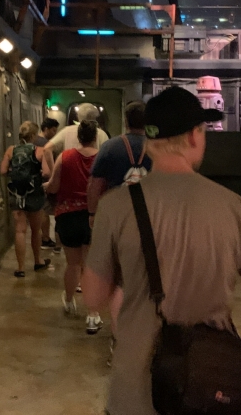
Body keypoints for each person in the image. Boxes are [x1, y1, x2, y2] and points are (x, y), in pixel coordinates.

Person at [82, 86, 241, 415]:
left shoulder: (115, 206)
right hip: (211, 389)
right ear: (195, 136)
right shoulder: (235, 207)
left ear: (149, 141)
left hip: (135, 393)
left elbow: (93, 297)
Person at [86, 100, 153, 360]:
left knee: (119, 282)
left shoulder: (110, 147)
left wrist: (93, 214)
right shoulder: (158, 148)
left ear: (126, 120)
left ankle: (119, 339)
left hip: (117, 221)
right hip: (152, 222)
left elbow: (95, 184)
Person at [44, 120, 104, 335]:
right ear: (95, 137)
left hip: (68, 216)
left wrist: (46, 186)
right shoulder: (102, 158)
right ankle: (93, 314)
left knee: (73, 264)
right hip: (94, 217)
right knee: (90, 266)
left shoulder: (66, 156)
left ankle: (69, 302)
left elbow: (54, 186)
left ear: (79, 137)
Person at [0, 121, 51, 278]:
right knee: (36, 230)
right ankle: (38, 261)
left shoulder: (11, 150)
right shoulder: (40, 151)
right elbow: (47, 173)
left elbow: (3, 170)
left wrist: (15, 172)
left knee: (20, 230)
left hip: (16, 193)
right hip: (34, 193)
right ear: (34, 135)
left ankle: (20, 268)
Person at [42, 102, 109, 175]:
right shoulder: (102, 134)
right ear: (95, 117)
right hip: (92, 176)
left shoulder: (67, 131)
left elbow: (47, 149)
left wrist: (54, 173)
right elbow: (108, 157)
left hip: (70, 176)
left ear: (78, 116)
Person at [34, 118, 61, 249]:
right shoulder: (46, 144)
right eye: (53, 130)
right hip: (45, 181)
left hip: (34, 181)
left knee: (41, 209)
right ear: (46, 129)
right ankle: (47, 239)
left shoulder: (33, 141)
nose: (55, 133)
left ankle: (44, 237)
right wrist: (54, 179)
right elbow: (46, 171)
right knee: (49, 210)